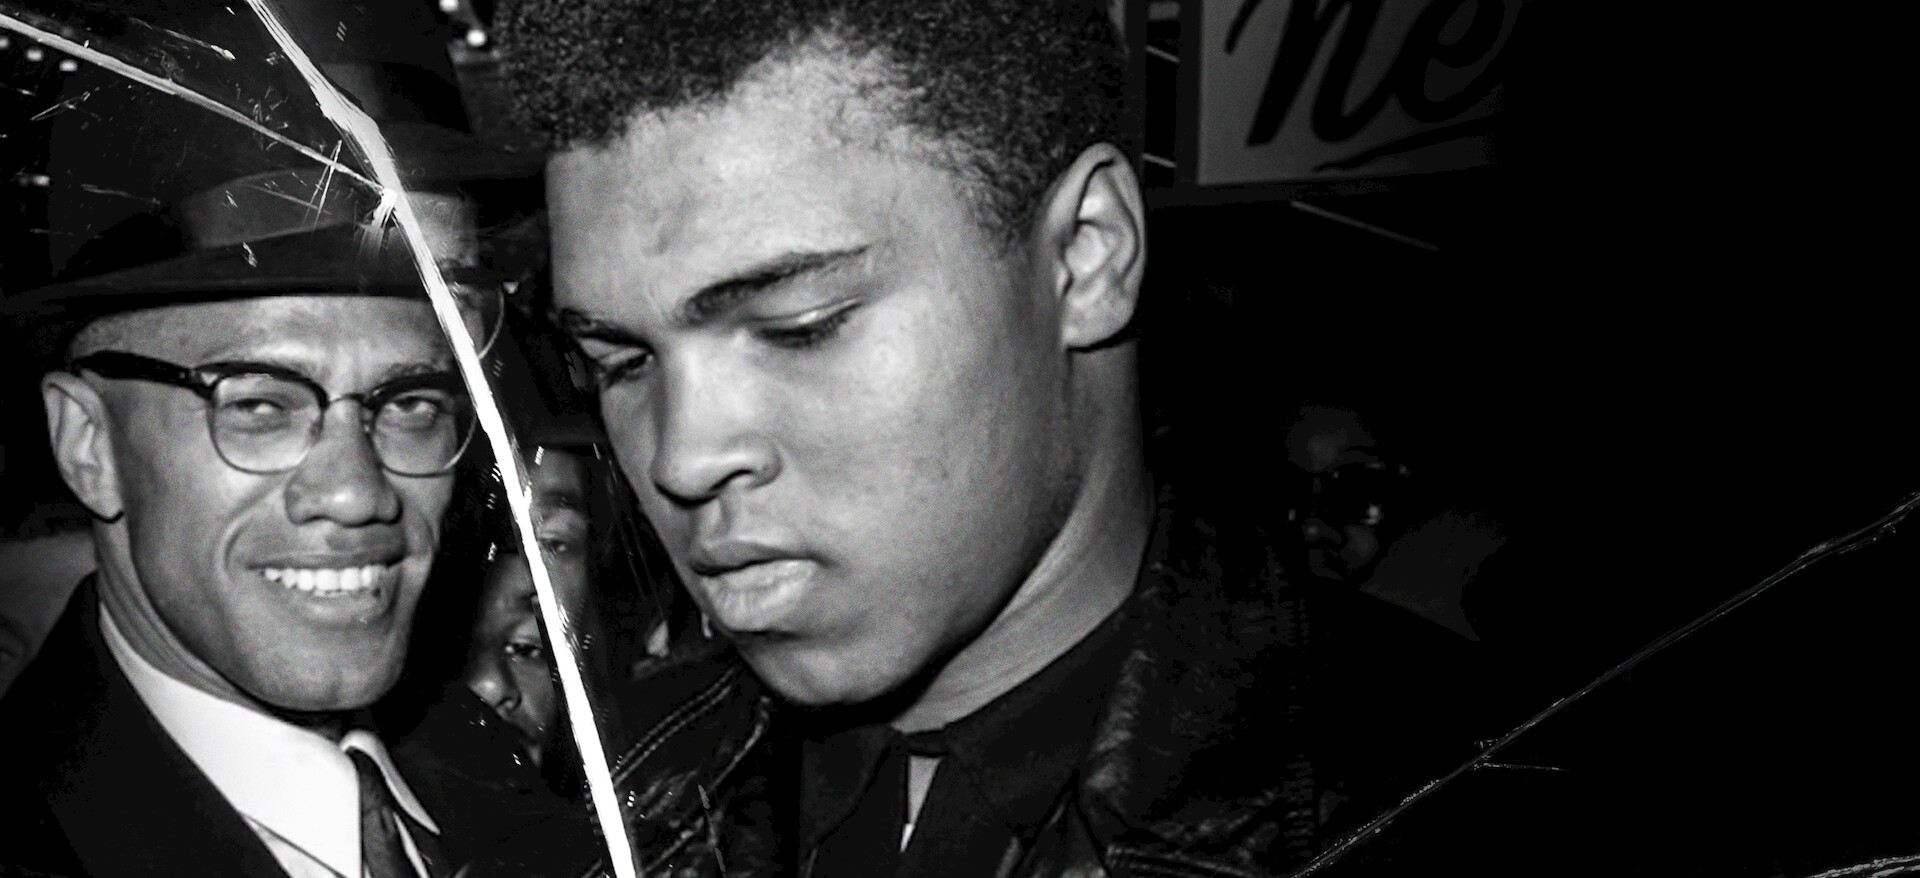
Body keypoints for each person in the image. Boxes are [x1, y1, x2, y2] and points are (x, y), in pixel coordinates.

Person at [495, 1, 1480, 875]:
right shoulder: (610, 781)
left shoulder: (1468, 794)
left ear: (1085, 255)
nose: (681, 457)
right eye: (620, 362)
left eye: (802, 326)